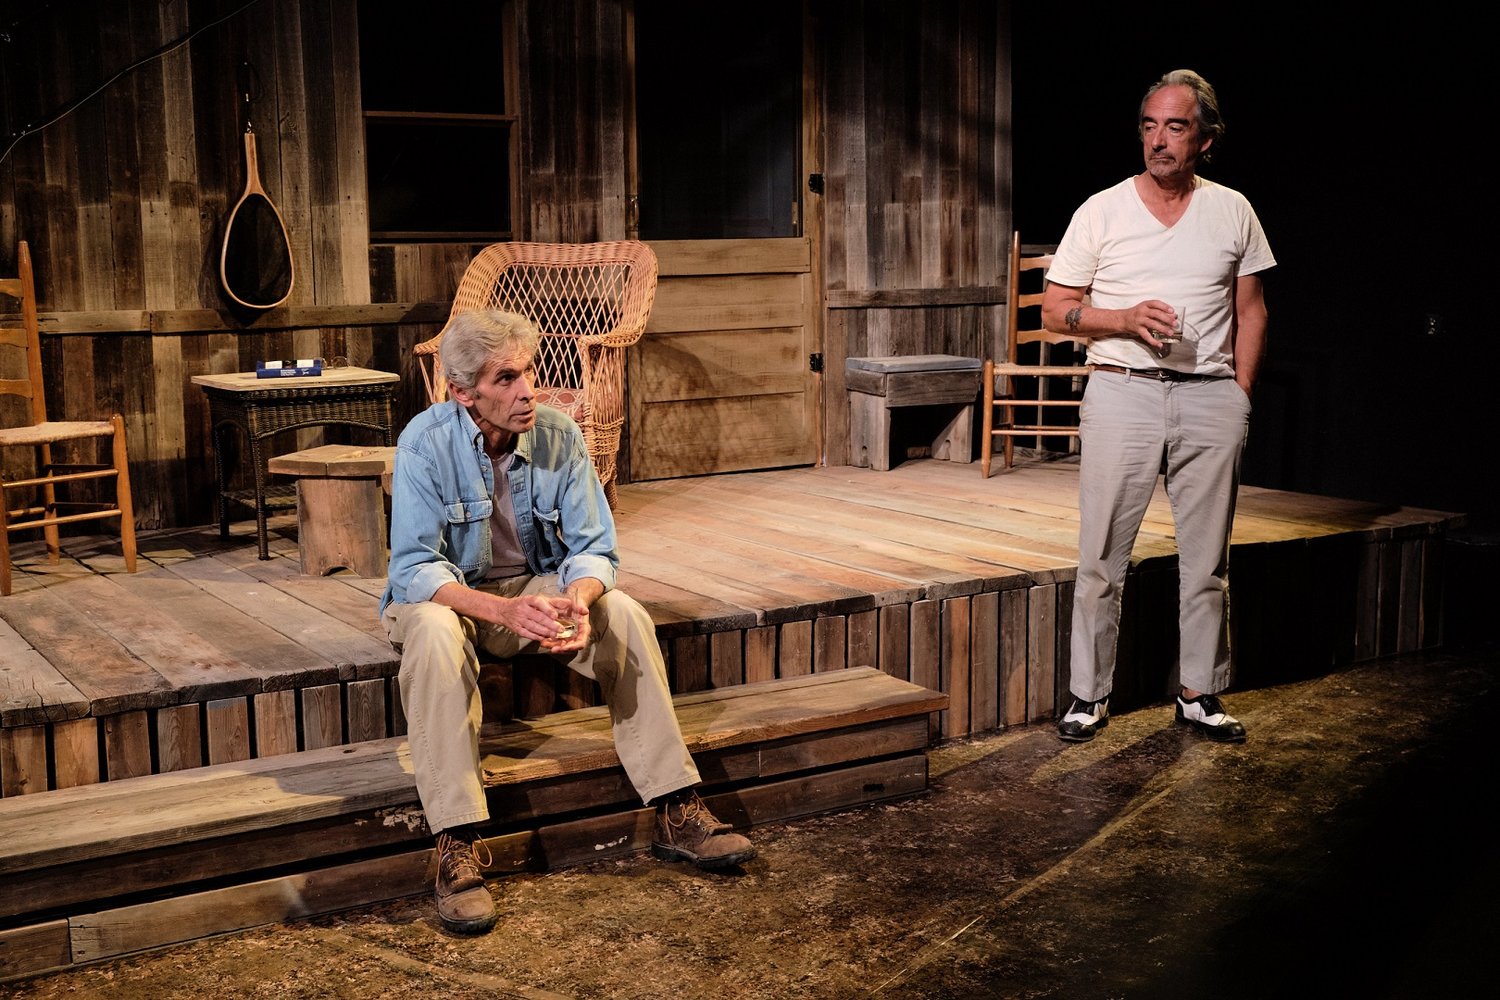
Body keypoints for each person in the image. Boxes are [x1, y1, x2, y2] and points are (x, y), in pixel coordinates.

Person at [381, 309, 755, 935]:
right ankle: (456, 842)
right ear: (463, 392)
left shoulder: (559, 433)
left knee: (626, 613)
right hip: (456, 602)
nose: (527, 390)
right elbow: (417, 568)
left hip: (534, 592)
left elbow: (594, 550)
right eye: (505, 379)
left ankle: (674, 808)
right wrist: (500, 610)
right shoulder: (425, 440)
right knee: (434, 634)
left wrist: (578, 600)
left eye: (527, 372)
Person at [1041, 68, 1274, 745]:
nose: (1159, 140)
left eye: (1175, 126)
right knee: (1101, 557)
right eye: (1149, 125)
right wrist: (1121, 318)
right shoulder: (1103, 209)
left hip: (1210, 398)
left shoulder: (1233, 209)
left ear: (1205, 138)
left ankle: (1200, 692)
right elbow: (1056, 312)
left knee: (1207, 560)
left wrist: (1241, 393)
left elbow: (1252, 309)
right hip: (1123, 391)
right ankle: (1088, 693)